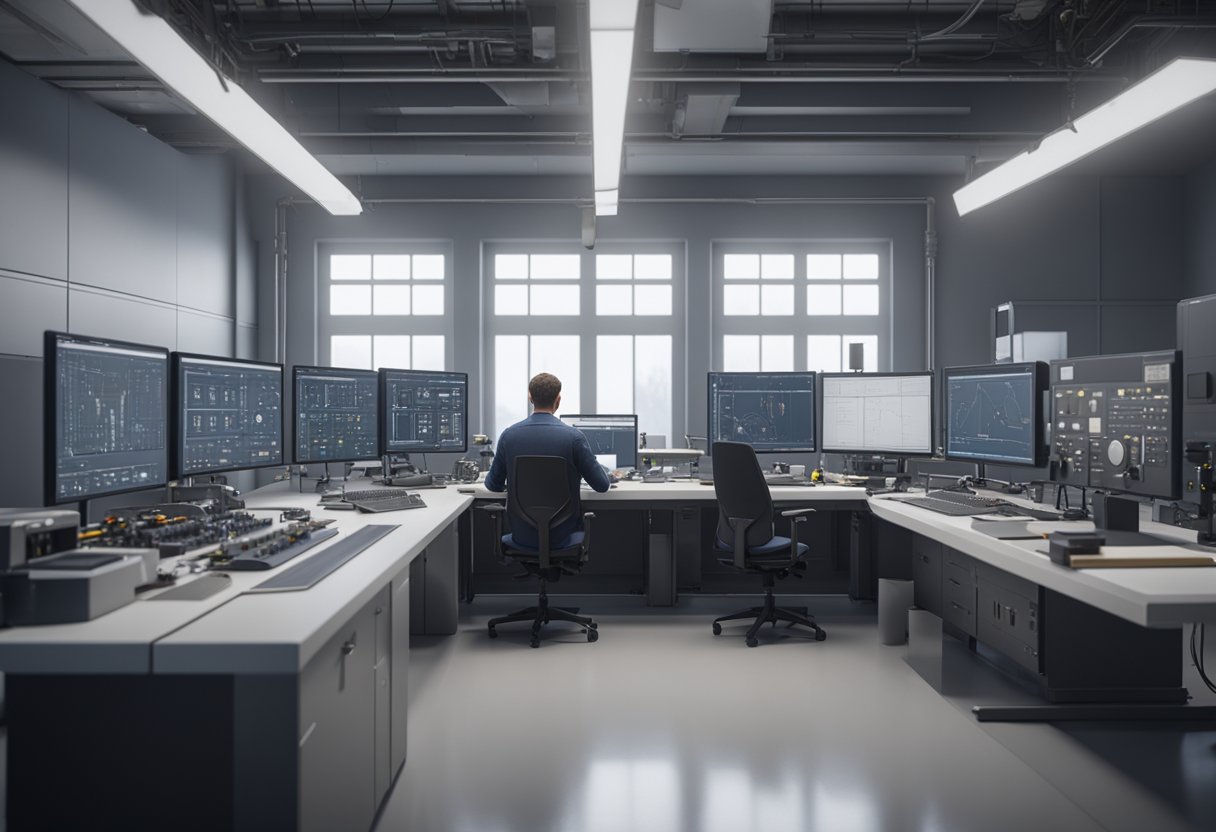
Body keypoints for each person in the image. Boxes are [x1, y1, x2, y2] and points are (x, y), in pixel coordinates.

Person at [484, 372, 611, 549]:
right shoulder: (574, 438)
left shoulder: (508, 436)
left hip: (522, 535)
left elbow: (492, 485)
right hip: (564, 536)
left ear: (530, 397)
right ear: (558, 400)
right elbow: (602, 485)